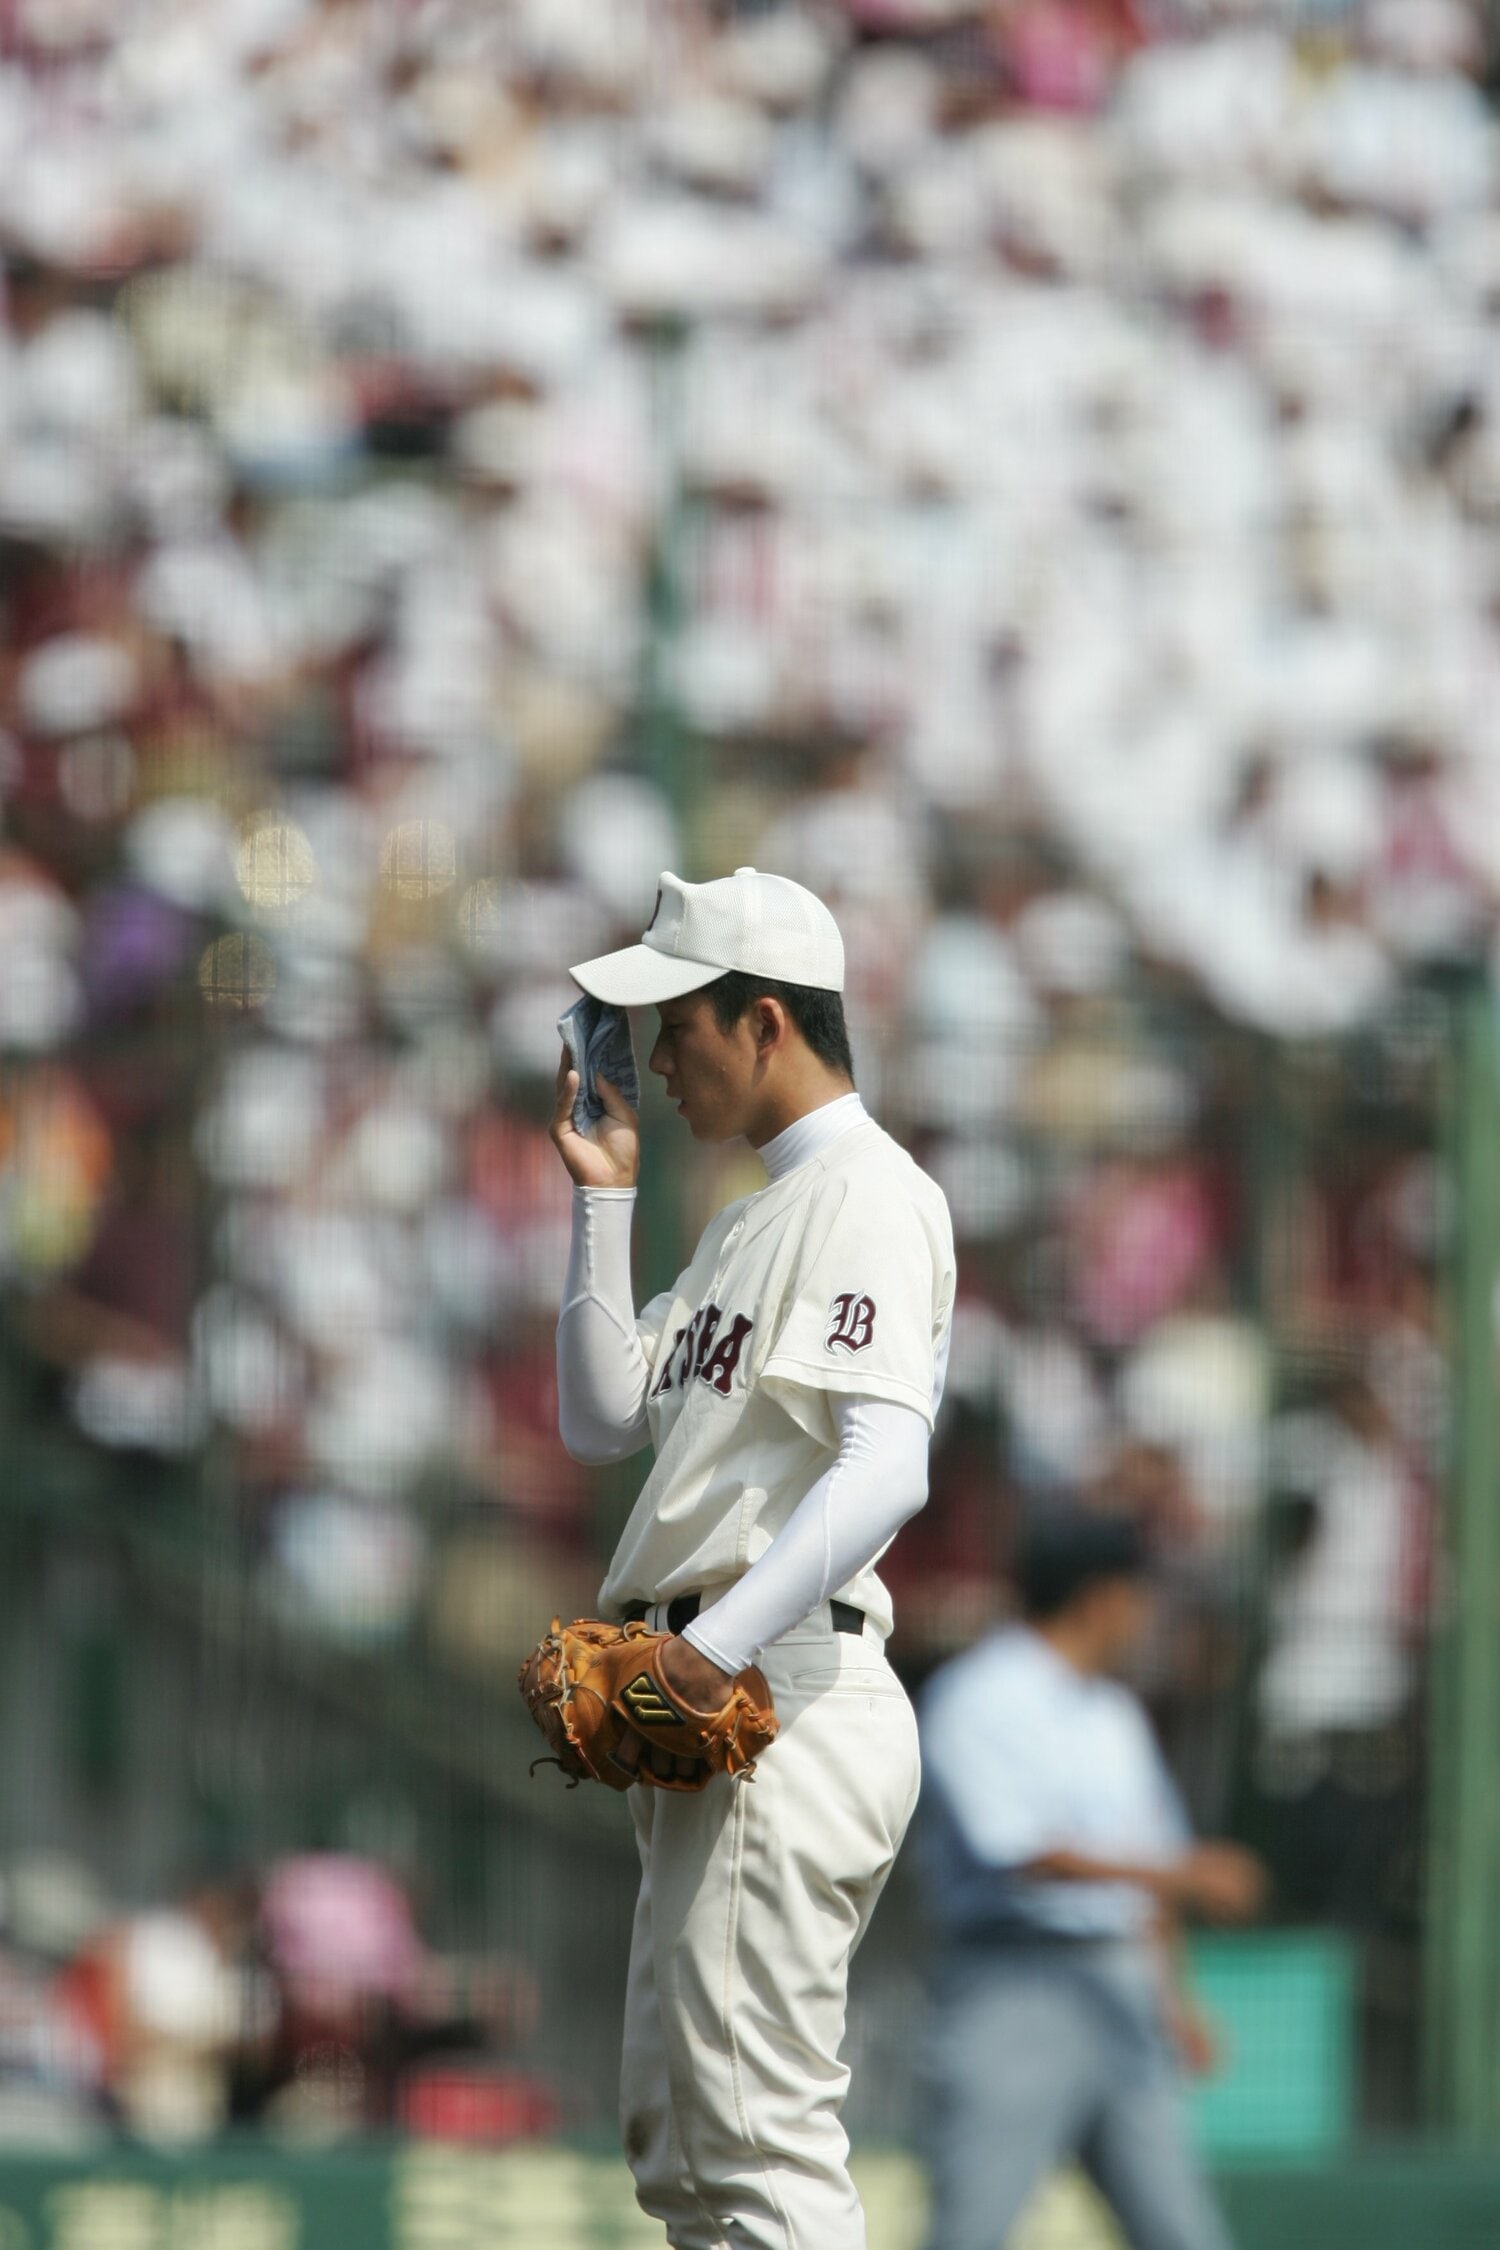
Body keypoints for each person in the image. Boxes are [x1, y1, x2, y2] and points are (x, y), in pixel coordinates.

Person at [548, 865, 956, 2249]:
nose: (656, 1058)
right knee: (692, 2151)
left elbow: (886, 1464)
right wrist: (603, 1199)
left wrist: (704, 1650)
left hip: (778, 1683)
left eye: (682, 1025)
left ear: (767, 1021)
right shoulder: (745, 1218)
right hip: (730, 1695)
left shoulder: (869, 1191)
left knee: (757, 2153)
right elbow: (601, 1414)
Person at [917, 1510, 1266, 2250]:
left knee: (1183, 2233)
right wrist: (1190, 1871)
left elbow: (1151, 1868)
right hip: (1016, 1981)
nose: (1146, 1616)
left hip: (1120, 1982)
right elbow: (1015, 1850)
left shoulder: (1112, 1711)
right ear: (1101, 1596)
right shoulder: (978, 1693)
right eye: (1139, 1596)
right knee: (970, 2230)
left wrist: (1177, 1999)